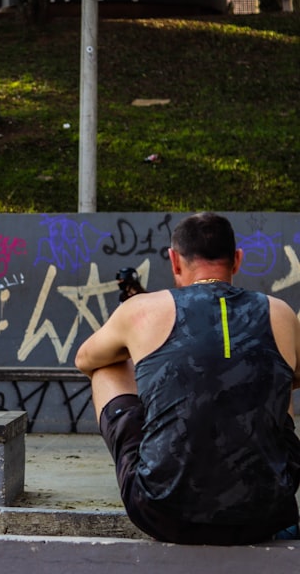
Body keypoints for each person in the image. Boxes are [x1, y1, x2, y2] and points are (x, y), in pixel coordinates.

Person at [74, 212, 300, 545]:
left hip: (163, 512)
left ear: (174, 261)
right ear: (236, 260)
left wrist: (149, 359)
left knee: (106, 366)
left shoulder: (141, 309)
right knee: (275, 376)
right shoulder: (279, 311)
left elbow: (84, 359)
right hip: (267, 511)